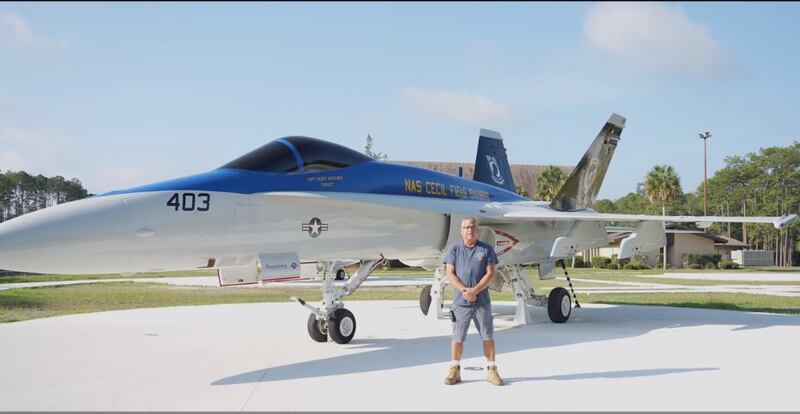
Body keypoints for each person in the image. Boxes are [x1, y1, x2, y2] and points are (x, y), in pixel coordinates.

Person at [442, 217, 503, 386]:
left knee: (488, 336)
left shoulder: (486, 249)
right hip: (461, 304)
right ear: (461, 231)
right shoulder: (454, 249)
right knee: (457, 338)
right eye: (466, 227)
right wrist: (464, 290)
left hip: (482, 302)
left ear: (478, 230)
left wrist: (475, 290)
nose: (469, 230)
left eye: (472, 227)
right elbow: (450, 273)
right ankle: (455, 370)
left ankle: (492, 370)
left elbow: (490, 273)